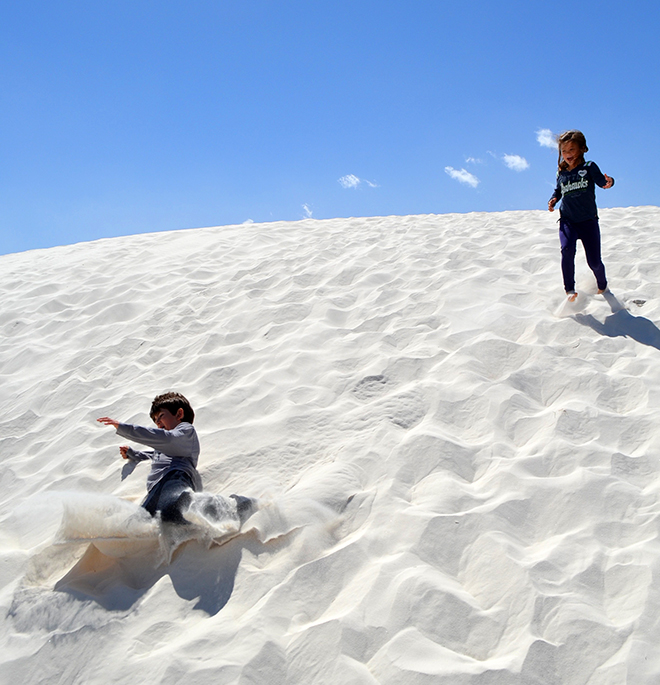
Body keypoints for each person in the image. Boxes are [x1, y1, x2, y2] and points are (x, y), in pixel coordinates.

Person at [98, 392, 202, 524]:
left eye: (161, 416)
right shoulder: (167, 447)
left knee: (171, 509)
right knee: (136, 524)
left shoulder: (185, 431)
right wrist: (133, 454)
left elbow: (167, 439)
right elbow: (155, 455)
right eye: (155, 420)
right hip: (155, 488)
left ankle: (217, 514)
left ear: (179, 414)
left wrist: (124, 428)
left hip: (174, 477)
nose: (157, 422)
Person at [548, 130, 614, 301]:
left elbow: (601, 181)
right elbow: (558, 191)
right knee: (567, 250)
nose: (567, 154)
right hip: (568, 220)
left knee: (594, 262)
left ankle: (602, 285)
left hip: (588, 221)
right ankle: (569, 290)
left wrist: (609, 182)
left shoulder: (589, 167)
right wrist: (553, 199)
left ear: (582, 149)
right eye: (564, 151)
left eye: (571, 150)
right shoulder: (561, 173)